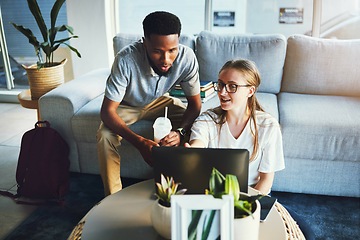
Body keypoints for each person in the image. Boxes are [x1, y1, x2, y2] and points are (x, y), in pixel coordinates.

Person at [97, 11, 202, 196]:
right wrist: (139, 142)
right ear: (144, 42)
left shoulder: (187, 58)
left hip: (160, 102)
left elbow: (195, 105)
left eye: (172, 50)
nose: (166, 60)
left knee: (200, 124)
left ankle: (184, 188)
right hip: (126, 105)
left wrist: (180, 132)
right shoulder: (125, 60)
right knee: (105, 135)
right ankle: (112, 198)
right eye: (157, 51)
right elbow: (107, 112)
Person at [185, 59, 284, 194]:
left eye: (232, 86)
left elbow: (266, 180)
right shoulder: (207, 120)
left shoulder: (268, 126)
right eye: (220, 85)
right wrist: (191, 152)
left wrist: (246, 206)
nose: (222, 92)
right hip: (213, 194)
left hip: (253, 194)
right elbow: (198, 143)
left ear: (250, 91)